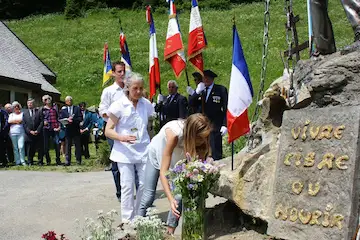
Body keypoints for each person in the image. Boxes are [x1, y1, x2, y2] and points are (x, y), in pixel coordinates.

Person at [105, 72, 154, 222]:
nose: (138, 91)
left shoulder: (146, 104)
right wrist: (122, 137)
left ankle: (139, 216)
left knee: (145, 184)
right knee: (127, 185)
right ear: (128, 88)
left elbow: (150, 126)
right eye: (135, 88)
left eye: (141, 88)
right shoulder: (118, 105)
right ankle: (127, 220)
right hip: (124, 152)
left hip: (143, 149)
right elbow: (108, 130)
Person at [157, 113, 212, 234]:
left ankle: (184, 232)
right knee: (149, 196)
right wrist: (170, 199)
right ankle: (166, 232)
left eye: (205, 137)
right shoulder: (174, 135)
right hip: (158, 154)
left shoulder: (201, 138)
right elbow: (163, 172)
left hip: (180, 159)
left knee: (186, 194)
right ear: (192, 134)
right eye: (200, 138)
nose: (203, 140)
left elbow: (200, 163)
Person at [99, 61, 126, 201]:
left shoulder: (129, 89)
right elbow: (102, 110)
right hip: (113, 131)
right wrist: (114, 116)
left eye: (124, 71)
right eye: (119, 72)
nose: (122, 74)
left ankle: (132, 190)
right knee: (116, 161)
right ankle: (120, 192)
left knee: (131, 161)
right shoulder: (109, 91)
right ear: (114, 73)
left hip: (128, 131)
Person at [188, 70, 228, 160]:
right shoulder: (200, 90)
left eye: (207, 78)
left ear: (212, 79)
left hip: (215, 125)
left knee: (215, 153)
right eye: (203, 78)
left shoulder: (220, 90)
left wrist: (225, 125)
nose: (205, 80)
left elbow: (226, 108)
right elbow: (190, 104)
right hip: (202, 127)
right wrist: (196, 92)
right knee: (202, 152)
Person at [41, 95, 62, 166]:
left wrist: (59, 126)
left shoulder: (54, 109)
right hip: (46, 129)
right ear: (44, 101)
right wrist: (43, 122)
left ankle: (58, 160)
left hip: (55, 129)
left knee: (57, 145)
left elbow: (58, 118)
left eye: (49, 98)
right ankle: (48, 160)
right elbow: (40, 119)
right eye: (46, 99)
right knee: (46, 146)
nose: (48, 100)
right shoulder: (42, 109)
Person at [23, 98, 43, 165]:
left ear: (34, 104)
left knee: (39, 148)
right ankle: (30, 162)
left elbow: (42, 122)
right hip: (29, 134)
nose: (29, 105)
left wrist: (38, 130)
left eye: (31, 103)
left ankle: (40, 161)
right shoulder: (25, 113)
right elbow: (24, 124)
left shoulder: (39, 111)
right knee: (29, 149)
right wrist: (30, 131)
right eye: (28, 103)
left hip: (38, 133)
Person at [8, 101, 26, 166]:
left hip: (21, 132)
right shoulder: (11, 115)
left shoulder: (22, 114)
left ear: (19, 107)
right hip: (13, 133)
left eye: (17, 106)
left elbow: (22, 121)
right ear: (13, 108)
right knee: (15, 148)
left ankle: (23, 161)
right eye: (15, 107)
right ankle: (17, 161)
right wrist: (17, 121)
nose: (16, 108)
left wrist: (14, 121)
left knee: (21, 147)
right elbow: (9, 121)